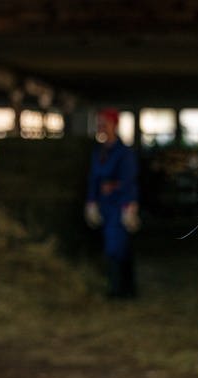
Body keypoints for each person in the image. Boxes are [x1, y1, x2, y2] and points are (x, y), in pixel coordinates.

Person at [85, 108, 140, 298]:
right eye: (99, 123)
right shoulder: (99, 152)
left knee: (117, 247)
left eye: (105, 123)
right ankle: (122, 288)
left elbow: (128, 180)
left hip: (119, 206)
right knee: (113, 247)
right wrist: (91, 201)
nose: (101, 127)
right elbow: (94, 178)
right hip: (105, 206)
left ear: (114, 125)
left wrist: (129, 205)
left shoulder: (124, 152)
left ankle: (119, 290)